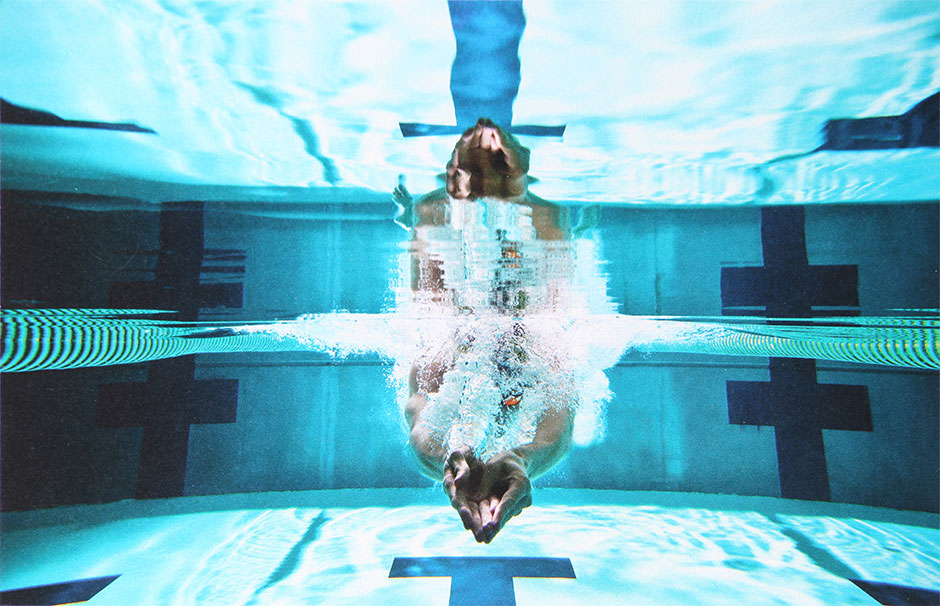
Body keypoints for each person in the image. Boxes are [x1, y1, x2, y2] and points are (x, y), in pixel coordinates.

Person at [396, 118, 588, 543]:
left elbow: (419, 416)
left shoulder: (522, 333)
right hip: (509, 249)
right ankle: (507, 191)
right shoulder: (457, 336)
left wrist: (449, 459)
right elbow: (561, 417)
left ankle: (491, 191)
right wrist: (521, 460)